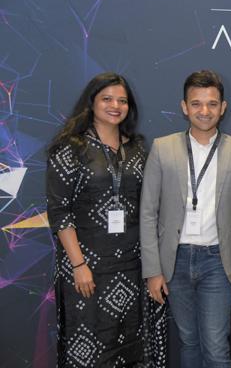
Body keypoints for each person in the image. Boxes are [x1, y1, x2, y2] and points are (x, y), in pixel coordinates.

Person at [140, 70, 231, 368]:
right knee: (189, 341)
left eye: (212, 104)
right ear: (184, 107)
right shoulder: (162, 148)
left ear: (223, 107)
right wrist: (152, 270)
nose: (204, 111)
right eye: (196, 103)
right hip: (175, 261)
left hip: (218, 262)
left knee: (216, 347)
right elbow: (148, 212)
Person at [47, 72, 165, 367]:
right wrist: (78, 265)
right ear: (92, 102)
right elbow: (59, 212)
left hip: (133, 267)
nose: (115, 106)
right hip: (88, 269)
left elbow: (149, 205)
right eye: (107, 99)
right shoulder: (71, 148)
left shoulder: (137, 148)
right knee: (89, 348)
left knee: (132, 346)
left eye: (122, 101)